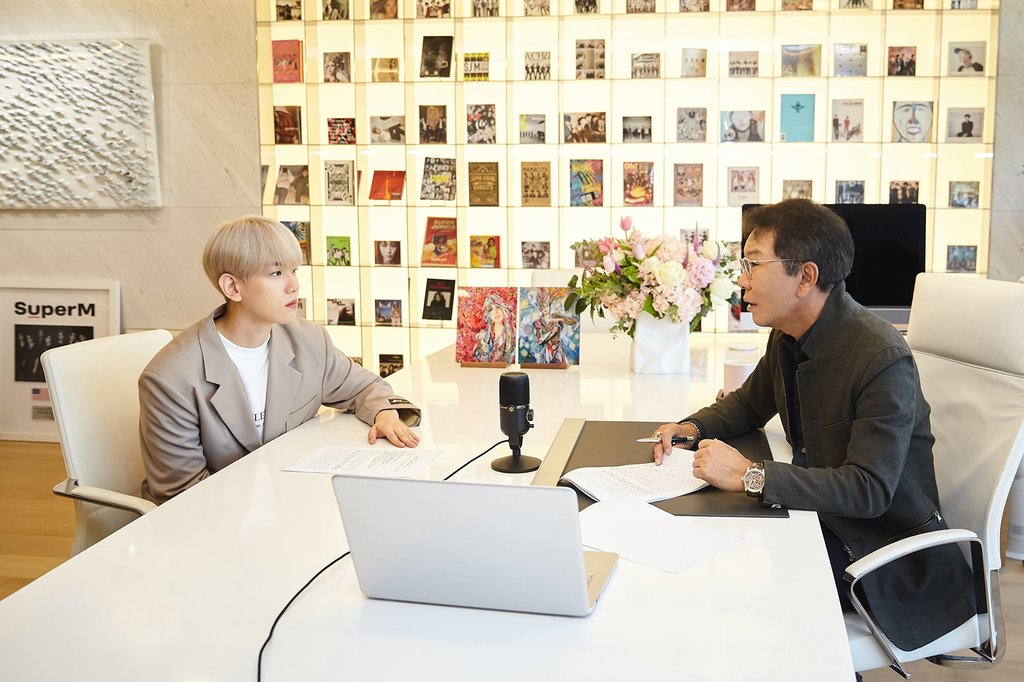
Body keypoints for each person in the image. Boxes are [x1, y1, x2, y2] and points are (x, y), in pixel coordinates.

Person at [648, 199, 975, 653]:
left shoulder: (880, 357)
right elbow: (750, 403)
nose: (741, 279)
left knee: (723, 588)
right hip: (822, 524)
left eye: (753, 264)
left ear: (805, 277)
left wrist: (749, 475)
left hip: (883, 556)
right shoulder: (788, 331)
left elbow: (869, 489)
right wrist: (693, 426)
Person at [139, 216, 421, 504]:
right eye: (276, 273)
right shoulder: (170, 379)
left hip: (291, 506)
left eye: (293, 270)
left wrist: (383, 414)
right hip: (215, 521)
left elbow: (364, 388)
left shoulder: (309, 339)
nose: (294, 285)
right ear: (232, 287)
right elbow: (183, 496)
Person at [472, 294, 516, 364]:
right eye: (491, 310)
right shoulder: (483, 337)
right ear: (488, 314)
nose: (495, 312)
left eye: (498, 307)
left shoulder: (514, 335)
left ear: (503, 308)